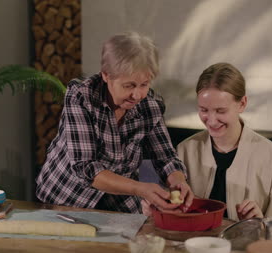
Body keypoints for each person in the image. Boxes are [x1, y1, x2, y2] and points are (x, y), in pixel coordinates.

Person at [36, 32, 194, 214]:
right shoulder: (82, 97)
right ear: (106, 75)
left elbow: (164, 157)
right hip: (66, 198)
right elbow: (86, 167)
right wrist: (140, 188)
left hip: (120, 202)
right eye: (129, 85)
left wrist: (178, 181)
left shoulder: (150, 105)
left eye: (144, 84)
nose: (137, 95)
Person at [143, 62, 272, 221]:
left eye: (221, 111)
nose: (211, 121)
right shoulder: (185, 150)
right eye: (204, 110)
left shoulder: (270, 155)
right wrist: (156, 211)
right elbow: (169, 210)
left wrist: (260, 222)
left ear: (242, 104)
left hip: (247, 246)